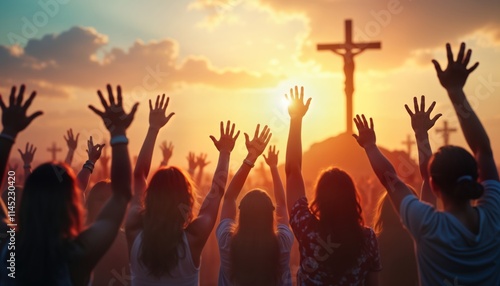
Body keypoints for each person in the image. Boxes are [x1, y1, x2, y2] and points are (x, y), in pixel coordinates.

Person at [353, 42, 500, 286]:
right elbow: (483, 150)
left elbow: (391, 179)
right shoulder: (494, 215)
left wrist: (371, 146)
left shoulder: (428, 225)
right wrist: (456, 93)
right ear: (476, 178)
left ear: (433, 184)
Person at [0, 84, 137, 285]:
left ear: (26, 201)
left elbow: (121, 195)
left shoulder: (7, 248)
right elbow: (122, 195)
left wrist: (8, 133)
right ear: (72, 205)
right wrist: (118, 133)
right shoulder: (78, 254)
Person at [125, 93, 239, 285]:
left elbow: (138, 177)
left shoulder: (134, 230)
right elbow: (216, 191)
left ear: (150, 196)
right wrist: (225, 153)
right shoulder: (194, 237)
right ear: (187, 199)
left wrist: (153, 129)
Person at [285, 86, 381, 285]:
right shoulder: (368, 239)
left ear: (320, 198)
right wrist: (370, 147)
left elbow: (292, 172)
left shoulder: (307, 229)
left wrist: (296, 120)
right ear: (352, 198)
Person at [217, 125, 294, 286]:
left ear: (241, 214)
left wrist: (251, 157)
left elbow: (229, 197)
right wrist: (273, 167)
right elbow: (282, 204)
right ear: (270, 214)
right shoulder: (282, 244)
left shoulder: (227, 242)